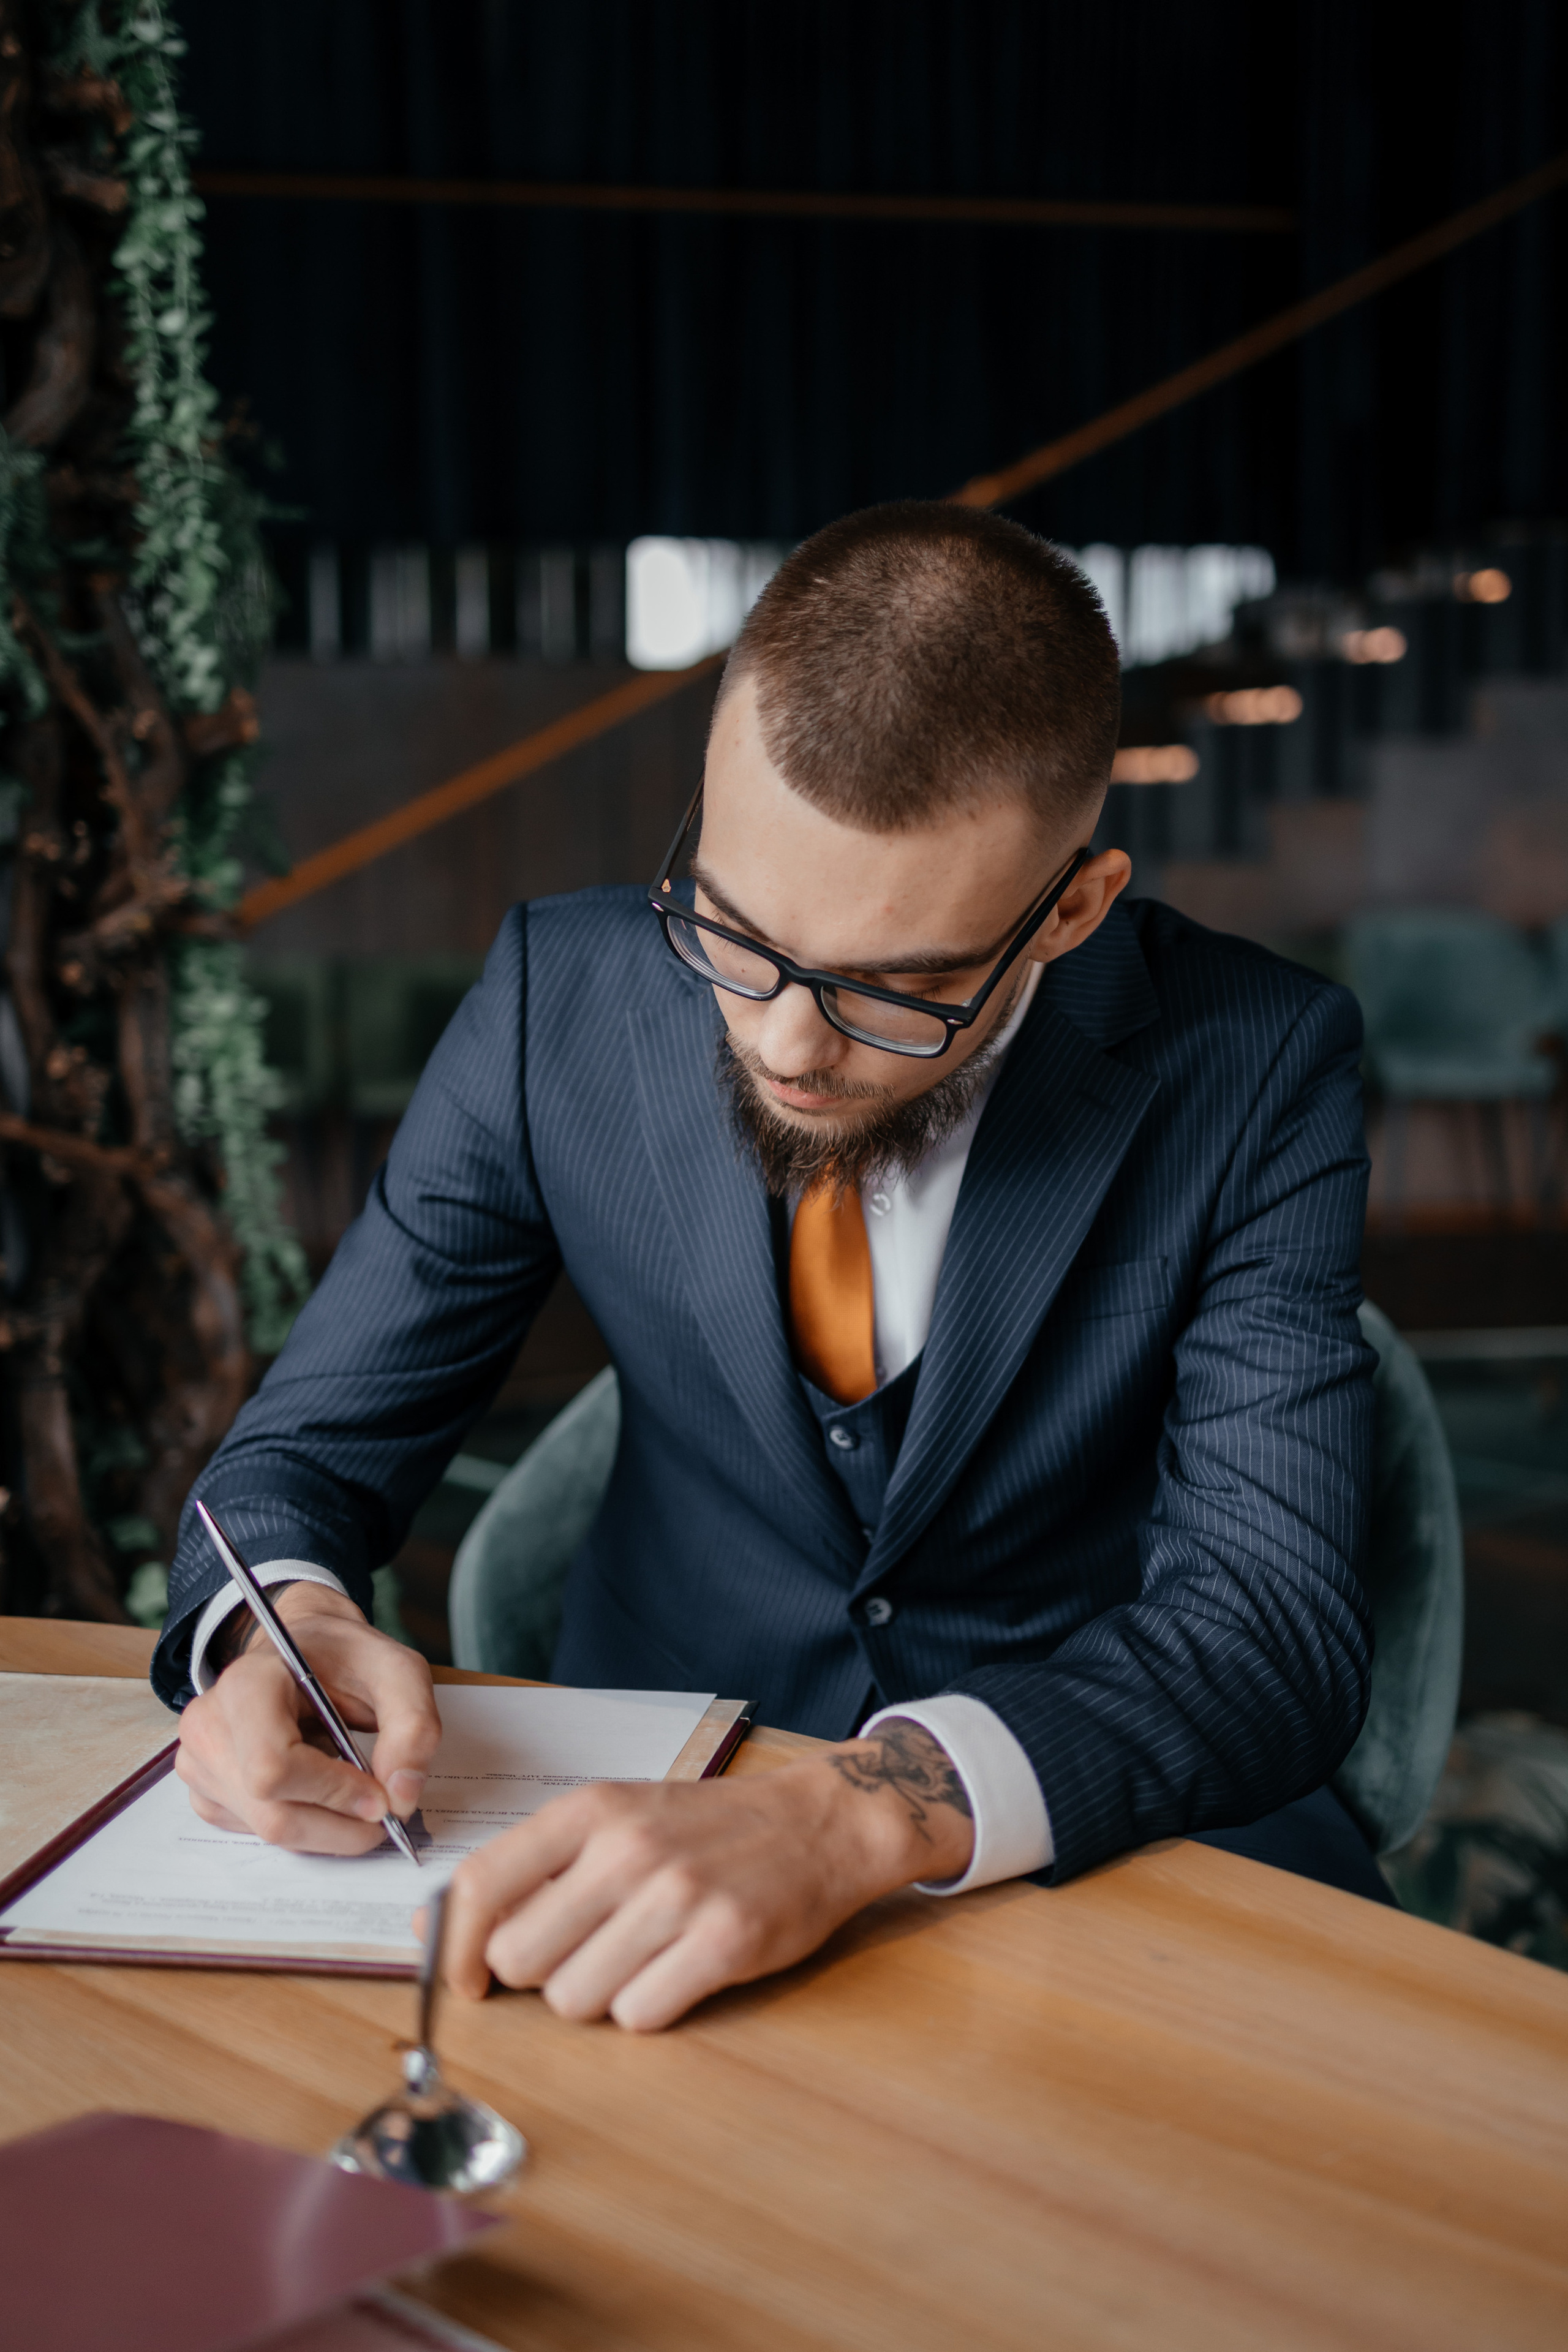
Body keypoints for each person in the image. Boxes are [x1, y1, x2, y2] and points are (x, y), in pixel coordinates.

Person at [156, 501, 1382, 2034]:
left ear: (1068, 908)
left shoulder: (1256, 1062)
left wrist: (851, 1816)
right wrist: (283, 1617)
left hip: (1092, 1830)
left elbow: (1266, 1628)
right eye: (734, 932)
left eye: (900, 990)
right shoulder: (563, 997)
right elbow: (303, 1453)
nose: (784, 1043)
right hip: (651, 1790)